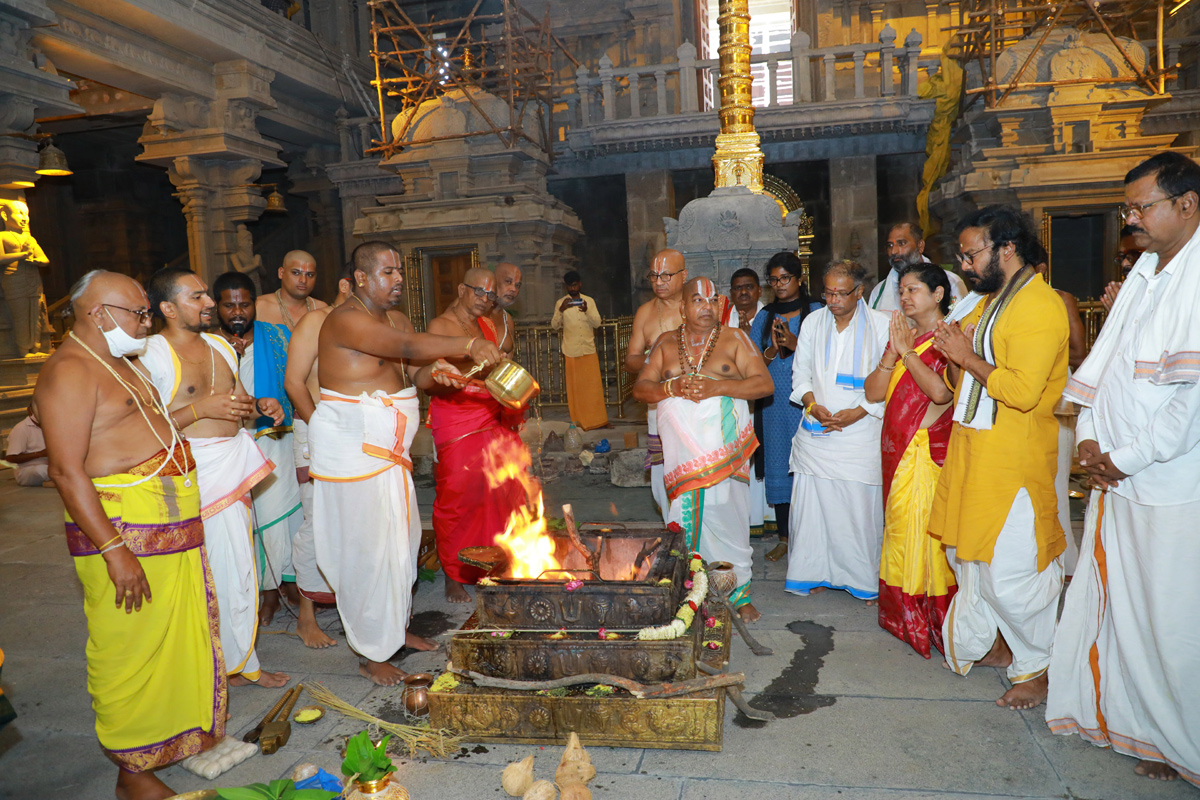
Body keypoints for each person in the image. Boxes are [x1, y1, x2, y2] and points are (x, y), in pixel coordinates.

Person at [36, 270, 224, 800]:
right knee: (128, 649)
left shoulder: (122, 360)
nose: (146, 322)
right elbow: (66, 471)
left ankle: (163, 745)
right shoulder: (71, 370)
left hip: (169, 521)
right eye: (138, 313)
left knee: (170, 642)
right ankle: (131, 774)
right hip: (124, 531)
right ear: (98, 314)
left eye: (146, 312)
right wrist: (114, 551)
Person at [1046, 151, 1200, 785]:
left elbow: (1188, 403)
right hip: (1117, 477)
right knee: (1130, 613)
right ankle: (1149, 728)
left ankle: (1182, 738)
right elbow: (1103, 371)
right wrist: (1088, 441)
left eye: (1142, 207)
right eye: (1128, 208)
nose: (1131, 219)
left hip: (1169, 485)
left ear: (1187, 205)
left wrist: (1122, 458)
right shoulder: (1143, 271)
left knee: (1173, 620)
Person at [311, 242, 501, 684]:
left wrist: (436, 375)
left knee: (400, 547)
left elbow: (410, 370)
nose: (398, 279)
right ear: (360, 277)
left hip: (389, 456)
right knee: (366, 554)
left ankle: (393, 631)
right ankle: (370, 651)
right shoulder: (347, 319)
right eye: (387, 272)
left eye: (400, 271)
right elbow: (405, 344)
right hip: (357, 457)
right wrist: (468, 343)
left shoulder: (392, 317)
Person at [928, 205, 1068, 710]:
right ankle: (1000, 643)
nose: (965, 265)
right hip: (975, 450)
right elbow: (964, 381)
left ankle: (1041, 665)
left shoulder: (1038, 305)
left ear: (1006, 248)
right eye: (962, 256)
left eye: (972, 254)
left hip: (1013, 456)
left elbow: (1024, 390)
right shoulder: (991, 303)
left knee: (1009, 569)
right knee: (969, 557)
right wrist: (955, 355)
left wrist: (965, 356)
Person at [139, 266, 289, 691]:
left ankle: (239, 661)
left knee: (240, 570)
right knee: (207, 575)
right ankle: (214, 665)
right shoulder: (150, 354)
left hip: (231, 465)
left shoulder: (220, 345)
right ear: (167, 307)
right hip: (191, 474)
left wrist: (261, 405)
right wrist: (201, 409)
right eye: (196, 297)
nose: (209, 304)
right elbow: (141, 428)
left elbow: (237, 400)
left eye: (207, 296)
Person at [633, 277, 773, 622]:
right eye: (698, 300)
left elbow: (763, 384)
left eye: (712, 300)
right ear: (683, 308)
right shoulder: (666, 344)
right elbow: (642, 388)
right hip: (683, 456)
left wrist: (717, 388)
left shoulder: (735, 339)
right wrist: (672, 385)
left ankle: (739, 594)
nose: (706, 307)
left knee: (730, 520)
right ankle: (688, 590)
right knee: (683, 519)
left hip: (722, 450)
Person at [863, 263, 957, 657]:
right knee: (899, 531)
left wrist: (906, 353)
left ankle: (926, 616)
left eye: (914, 289)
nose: (904, 297)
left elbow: (941, 393)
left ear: (938, 295)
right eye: (901, 290)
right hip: (895, 448)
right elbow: (872, 393)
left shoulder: (948, 338)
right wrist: (892, 354)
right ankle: (899, 613)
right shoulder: (906, 337)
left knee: (921, 535)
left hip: (923, 452)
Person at [785, 260, 890, 603]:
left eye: (841, 293)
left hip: (860, 435)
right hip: (816, 433)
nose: (832, 300)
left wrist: (858, 413)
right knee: (812, 511)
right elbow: (800, 374)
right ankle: (810, 572)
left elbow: (891, 383)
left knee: (857, 512)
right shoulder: (814, 322)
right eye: (827, 292)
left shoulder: (881, 326)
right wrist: (813, 404)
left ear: (859, 292)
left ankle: (858, 578)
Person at [427, 267, 531, 603]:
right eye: (478, 292)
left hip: (490, 409)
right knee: (459, 495)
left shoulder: (486, 324)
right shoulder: (440, 326)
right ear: (461, 289)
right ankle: (454, 572)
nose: (485, 299)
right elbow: (429, 374)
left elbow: (499, 371)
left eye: (489, 294)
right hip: (456, 415)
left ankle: (491, 563)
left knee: (501, 491)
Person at [214, 271, 304, 627]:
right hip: (231, 443)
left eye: (244, 303)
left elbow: (295, 379)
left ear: (255, 304)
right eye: (229, 304)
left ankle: (291, 585)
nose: (238, 311)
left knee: (281, 516)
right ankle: (266, 593)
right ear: (217, 306)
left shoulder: (278, 335)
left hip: (275, 438)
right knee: (248, 522)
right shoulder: (208, 346)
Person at [282, 262, 354, 649]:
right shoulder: (316, 321)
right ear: (348, 282)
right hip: (317, 430)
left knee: (354, 521)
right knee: (317, 520)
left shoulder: (369, 322)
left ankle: (352, 604)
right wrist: (323, 428)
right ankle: (306, 618)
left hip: (358, 435)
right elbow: (294, 382)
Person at [750, 253, 813, 561]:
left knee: (808, 468)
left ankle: (810, 537)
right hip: (774, 405)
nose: (779, 285)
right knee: (779, 467)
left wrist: (795, 342)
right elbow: (752, 363)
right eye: (773, 280)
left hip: (806, 402)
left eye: (785, 278)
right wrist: (773, 349)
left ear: (799, 279)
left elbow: (826, 356)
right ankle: (784, 537)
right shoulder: (764, 317)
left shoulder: (816, 311)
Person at [1031, 242, 1086, 577]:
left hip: (1052, 397)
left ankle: (1063, 561)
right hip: (1017, 401)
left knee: (1053, 483)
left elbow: (1079, 355)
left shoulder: (1060, 299)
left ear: (1041, 269)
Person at [626, 249, 688, 521]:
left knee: (695, 464)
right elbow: (630, 360)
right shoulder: (645, 312)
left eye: (666, 275)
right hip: (659, 403)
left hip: (696, 402)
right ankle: (672, 529)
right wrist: (657, 361)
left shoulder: (699, 305)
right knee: (664, 471)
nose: (659, 281)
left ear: (683, 275)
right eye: (654, 275)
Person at [729, 267, 770, 536]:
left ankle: (764, 516)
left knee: (763, 456)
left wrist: (749, 339)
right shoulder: (723, 320)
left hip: (765, 401)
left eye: (749, 287)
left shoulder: (768, 317)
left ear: (758, 290)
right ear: (731, 293)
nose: (744, 292)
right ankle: (742, 518)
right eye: (738, 288)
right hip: (735, 399)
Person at [551, 270, 609, 431]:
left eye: (575, 285)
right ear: (566, 286)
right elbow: (554, 326)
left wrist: (586, 310)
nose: (572, 288)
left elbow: (597, 323)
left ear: (580, 284)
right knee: (576, 390)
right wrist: (561, 310)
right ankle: (580, 422)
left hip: (588, 350)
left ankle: (599, 421)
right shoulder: (560, 303)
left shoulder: (589, 301)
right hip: (571, 351)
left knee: (593, 388)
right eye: (569, 286)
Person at [867, 222, 967, 313]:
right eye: (890, 245)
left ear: (920, 246)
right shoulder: (878, 292)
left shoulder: (951, 282)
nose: (894, 251)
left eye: (901, 243)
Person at [0, 199, 50, 356]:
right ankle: (23, 349)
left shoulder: (30, 239)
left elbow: (45, 259)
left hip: (33, 280)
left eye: (26, 214)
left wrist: (36, 260)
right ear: (4, 215)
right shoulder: (2, 236)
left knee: (36, 315)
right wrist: (22, 255)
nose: (24, 218)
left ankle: (36, 346)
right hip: (14, 280)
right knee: (20, 316)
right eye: (19, 213)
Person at [254, 250, 327, 329]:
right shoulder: (259, 306)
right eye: (296, 273)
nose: (303, 280)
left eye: (309, 275)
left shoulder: (321, 309)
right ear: (281, 273)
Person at [5, 403, 49, 486]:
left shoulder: (51, 426)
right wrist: (39, 454)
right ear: (29, 411)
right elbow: (10, 458)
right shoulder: (21, 428)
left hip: (50, 466)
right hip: (27, 471)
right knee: (41, 470)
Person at [489, 261, 522, 356]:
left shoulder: (507, 320)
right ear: (494, 281)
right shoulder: (475, 314)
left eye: (517, 285)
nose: (513, 289)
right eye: (508, 281)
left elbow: (509, 360)